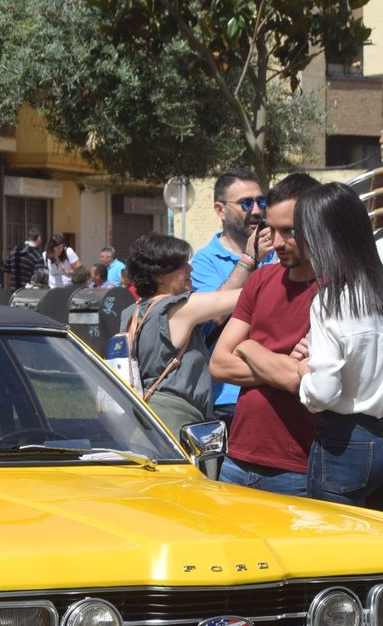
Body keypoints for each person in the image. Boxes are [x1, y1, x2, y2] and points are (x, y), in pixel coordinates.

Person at [291, 182, 383, 514]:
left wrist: (303, 374)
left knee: (335, 556)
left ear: (319, 240)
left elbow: (323, 392)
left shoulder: (329, 304)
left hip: (345, 442)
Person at [209, 172, 321, 496]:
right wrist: (281, 365)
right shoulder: (261, 280)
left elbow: (299, 381)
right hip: (237, 460)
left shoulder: (333, 291)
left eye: (291, 231)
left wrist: (249, 348)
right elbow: (218, 364)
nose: (278, 242)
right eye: (271, 229)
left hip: (297, 468)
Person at [119, 233, 240, 438]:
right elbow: (240, 297)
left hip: (143, 420)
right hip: (176, 423)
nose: (190, 268)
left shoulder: (131, 313)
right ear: (159, 275)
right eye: (182, 264)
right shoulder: (177, 308)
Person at [191, 169, 276, 427]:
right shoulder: (204, 260)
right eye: (245, 203)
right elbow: (214, 315)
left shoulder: (279, 252)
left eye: (261, 202)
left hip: (276, 386)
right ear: (220, 209)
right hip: (227, 397)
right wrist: (250, 260)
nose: (257, 211)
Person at [6, 225, 46, 290]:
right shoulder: (37, 256)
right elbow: (39, 277)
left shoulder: (14, 251)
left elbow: (6, 268)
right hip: (28, 293)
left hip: (14, 292)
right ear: (39, 238)